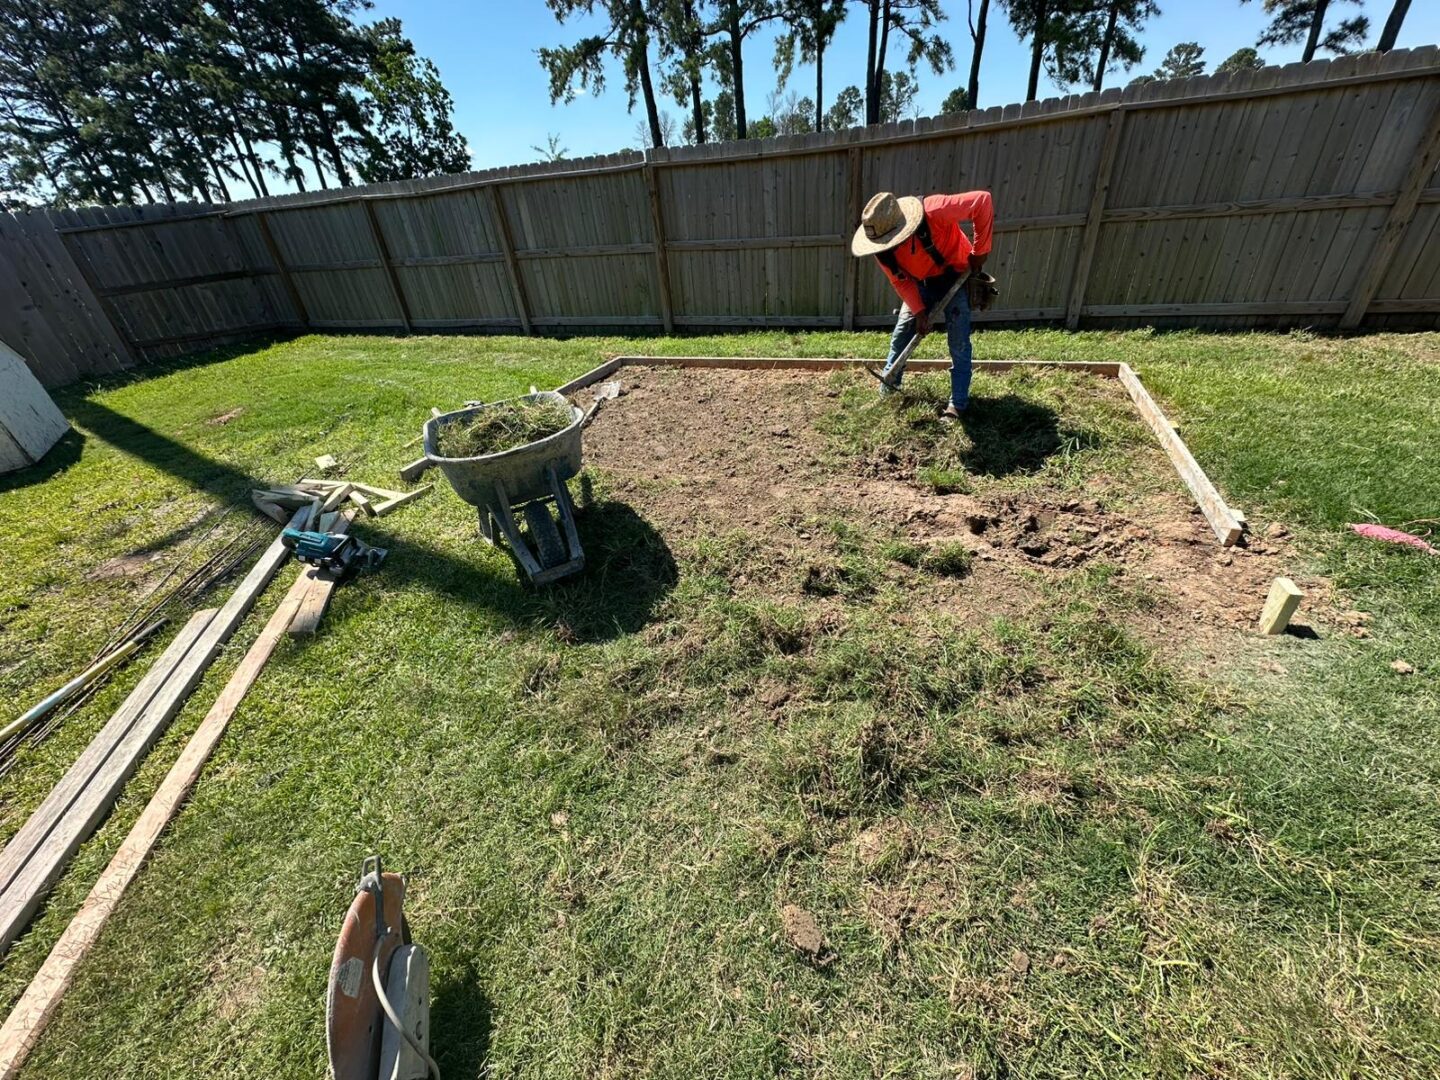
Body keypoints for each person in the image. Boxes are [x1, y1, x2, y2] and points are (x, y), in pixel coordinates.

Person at [850, 189, 994, 419]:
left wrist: (981, 250)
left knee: (958, 341)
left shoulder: (934, 210)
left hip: (956, 276)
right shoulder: (882, 249)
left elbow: (982, 201)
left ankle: (958, 404)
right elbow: (900, 281)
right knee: (901, 336)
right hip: (921, 284)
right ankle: (888, 391)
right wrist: (918, 312)